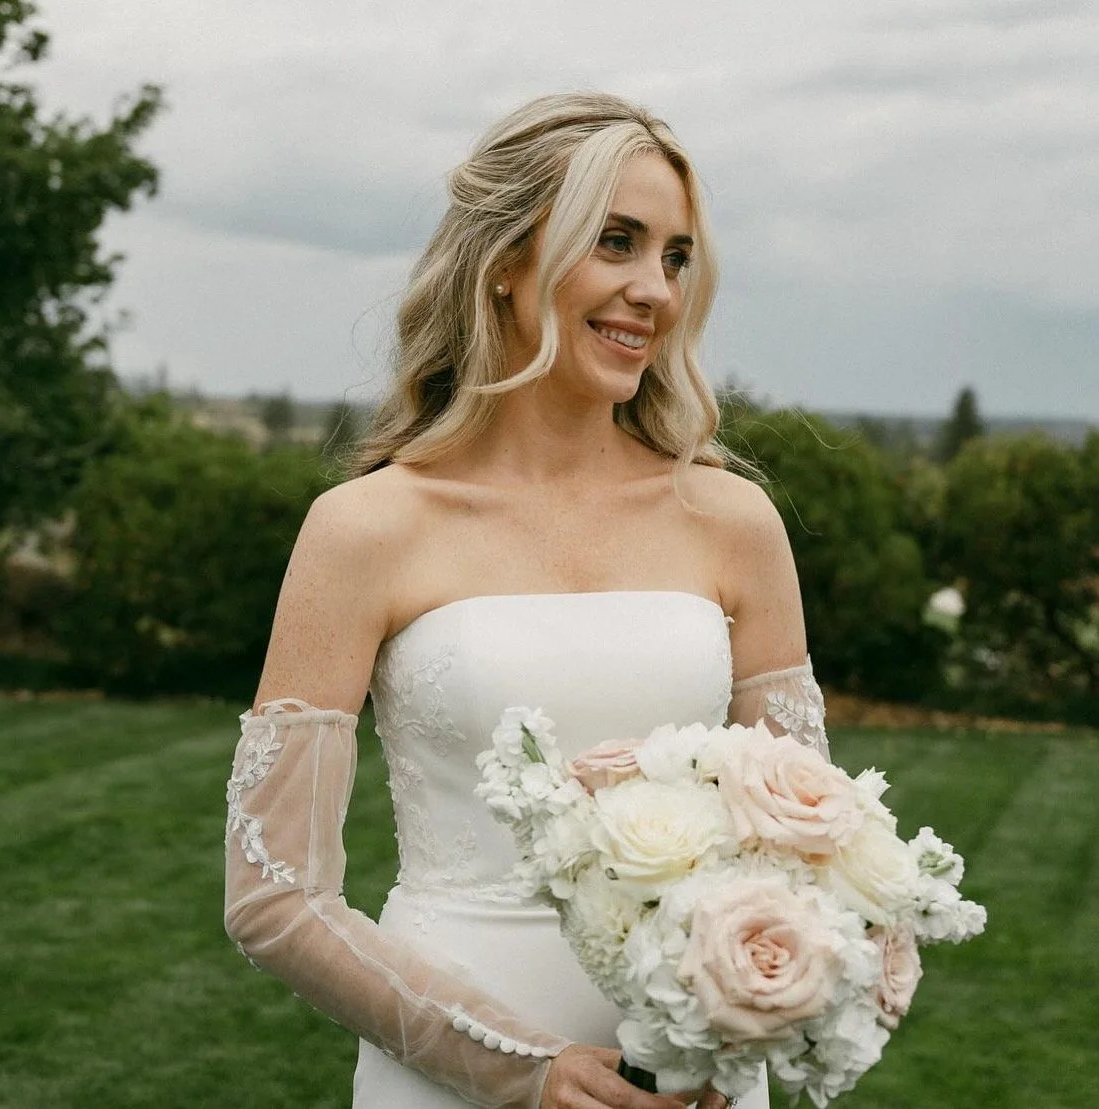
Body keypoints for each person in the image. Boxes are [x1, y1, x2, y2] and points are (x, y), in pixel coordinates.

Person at [223, 92, 829, 1109]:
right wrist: (518, 1067)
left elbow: (805, 847)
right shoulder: (365, 528)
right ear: (505, 258)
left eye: (675, 257)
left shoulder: (731, 521)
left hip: (697, 1081)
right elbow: (274, 894)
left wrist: (741, 1025)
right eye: (615, 241)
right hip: (447, 1073)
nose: (653, 290)